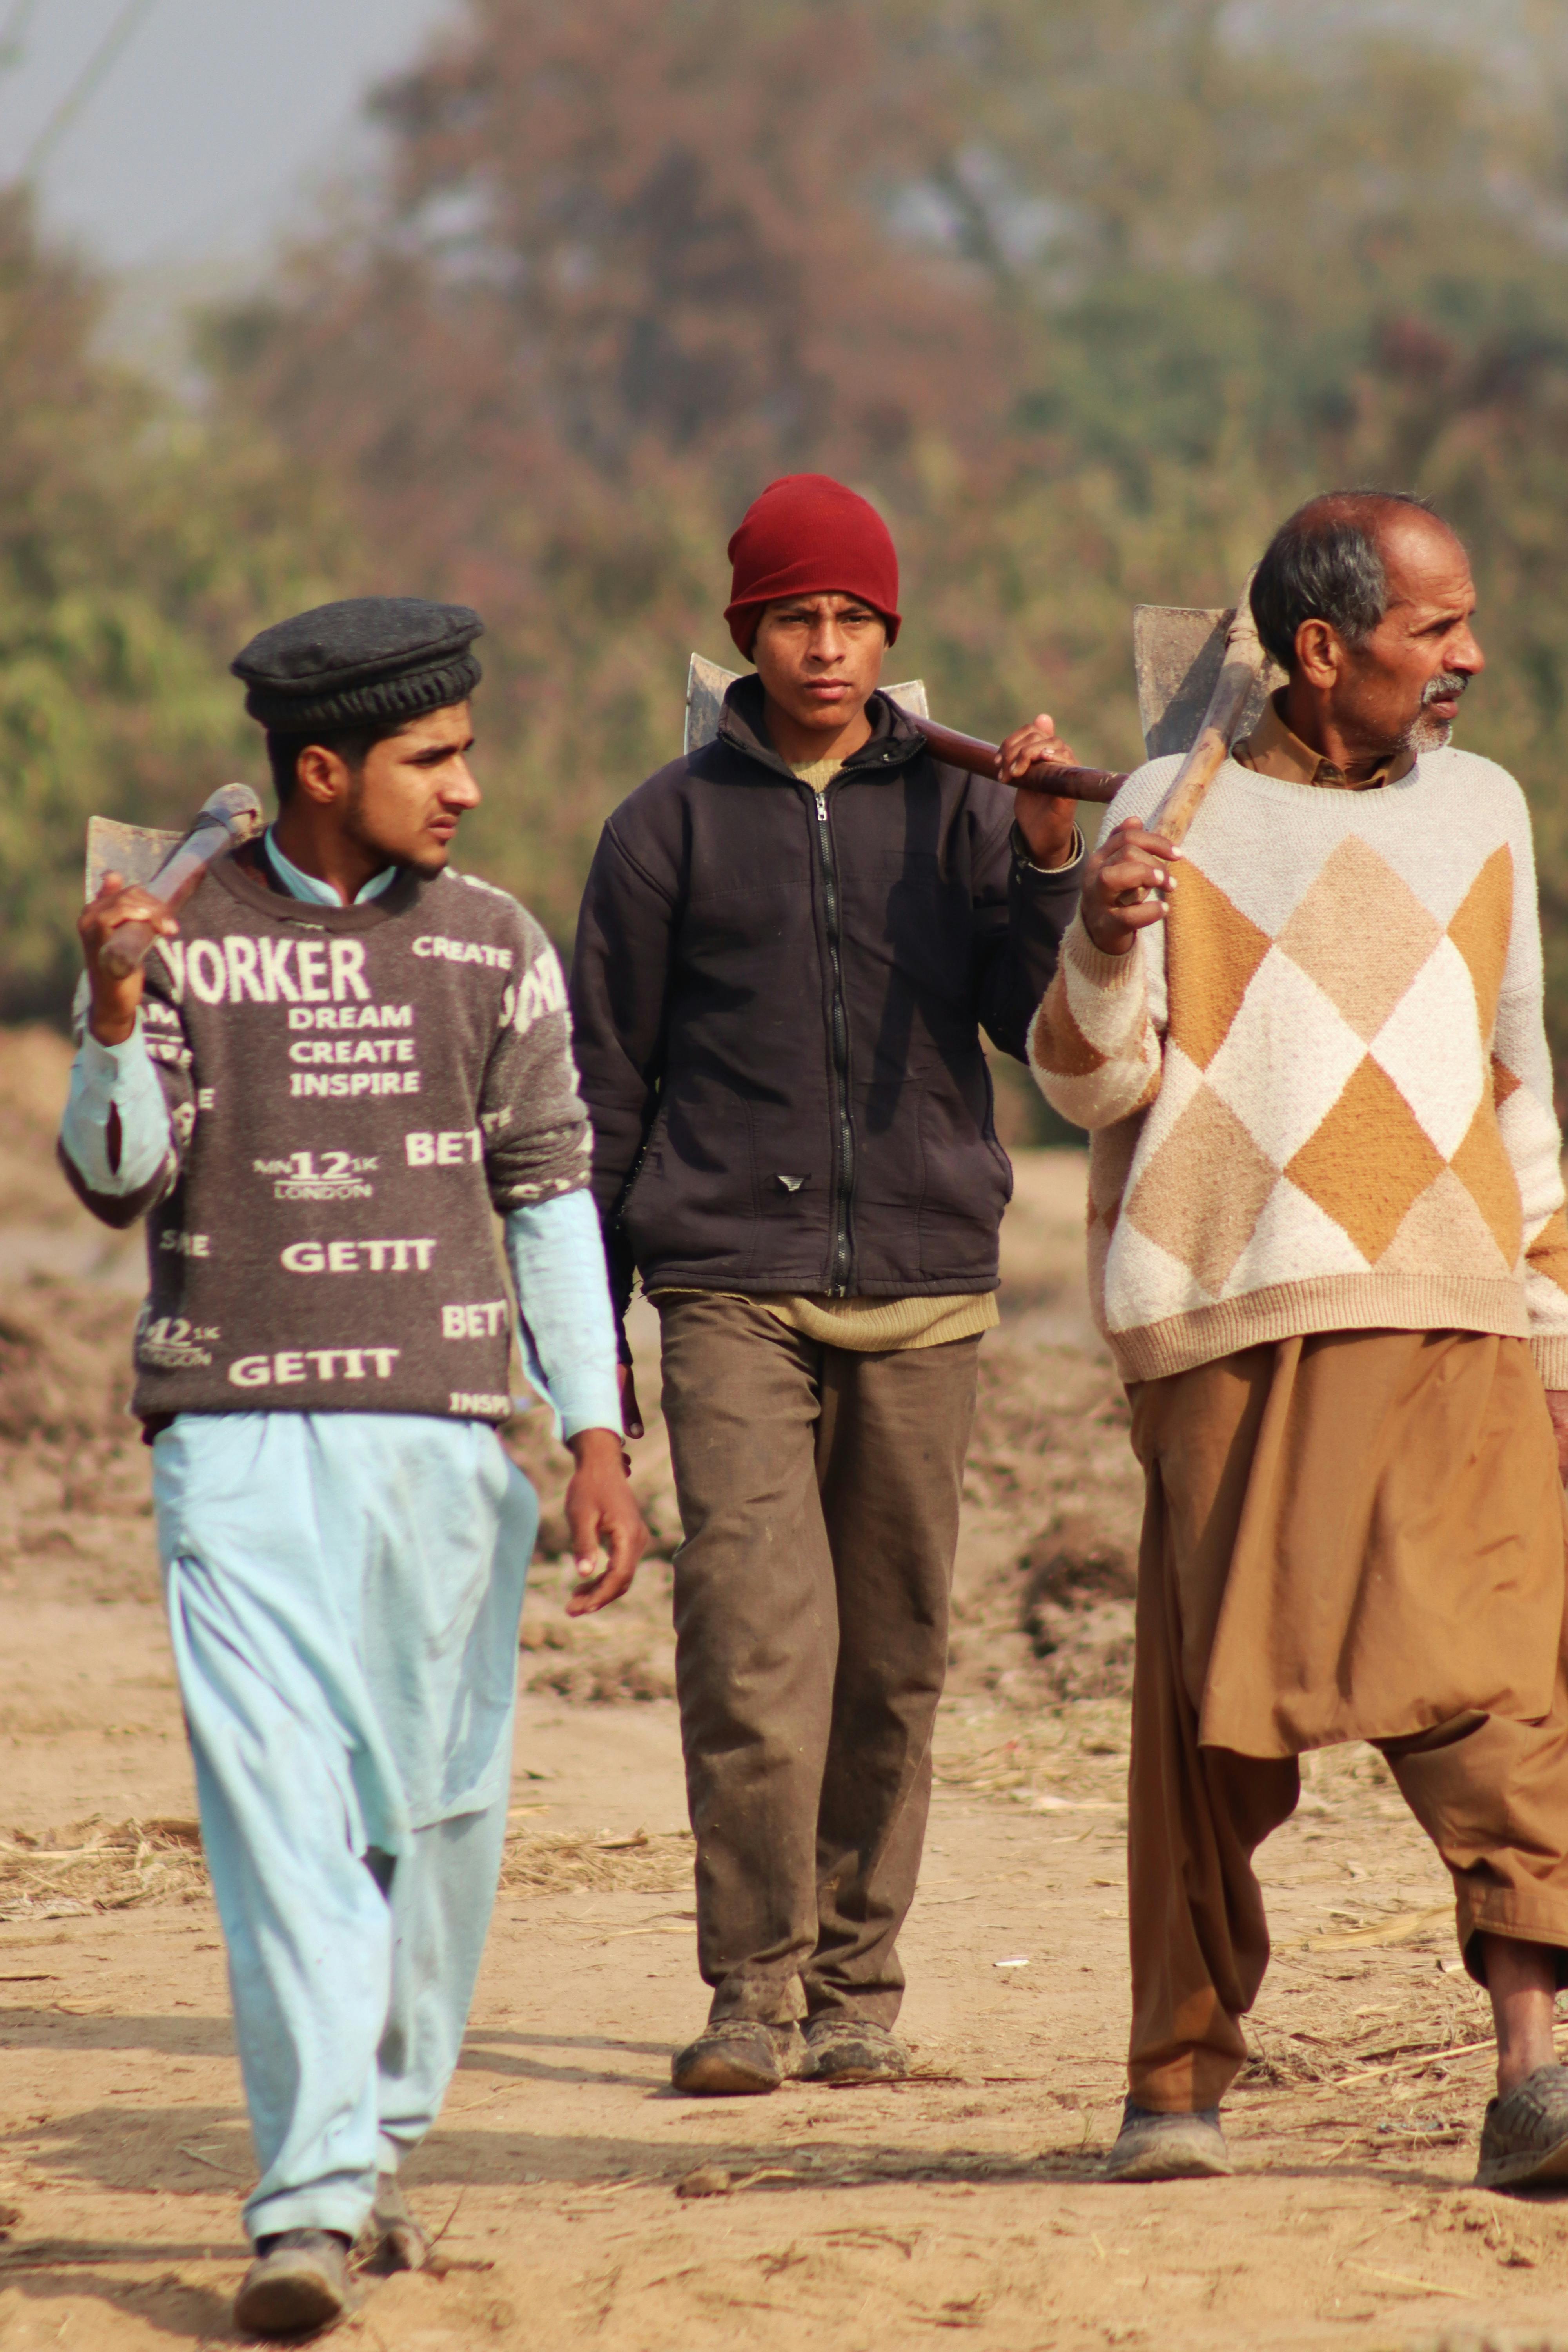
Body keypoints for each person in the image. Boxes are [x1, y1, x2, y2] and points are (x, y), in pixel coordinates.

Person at [60, 597, 647, 2336]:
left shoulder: (495, 945)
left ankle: (381, 2137)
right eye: (432, 758)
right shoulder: (176, 935)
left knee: (436, 1819)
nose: (467, 785)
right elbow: (116, 1177)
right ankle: (307, 2201)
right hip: (233, 1438)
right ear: (324, 772)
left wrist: (595, 1434)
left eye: (463, 750)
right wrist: (108, 1013)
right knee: (281, 1823)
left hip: (451, 1446)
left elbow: (549, 1198)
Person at [1030, 491, 1568, 2188]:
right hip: (1228, 1329)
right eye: (1434, 630)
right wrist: (1107, 937)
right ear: (1321, 652)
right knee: (1212, 1722)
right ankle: (1174, 2085)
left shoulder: (1483, 809)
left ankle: (1531, 2077)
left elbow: (1513, 1077)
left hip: (1454, 1308)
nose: (1467, 657)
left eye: (1465, 623)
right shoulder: (1160, 817)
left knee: (1503, 1690)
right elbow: (1086, 1082)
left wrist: (1553, 1320)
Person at [570, 472, 1087, 2094]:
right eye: (795, 616)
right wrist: (594, 1344)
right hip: (726, 1279)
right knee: (749, 1647)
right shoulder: (665, 825)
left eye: (854, 619)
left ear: (887, 636)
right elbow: (600, 1095)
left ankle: (859, 1987)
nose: (825, 646)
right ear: (747, 632)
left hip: (925, 1285)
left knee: (895, 1652)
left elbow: (1037, 1024)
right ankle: (750, 1989)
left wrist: (1052, 858)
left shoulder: (960, 810)